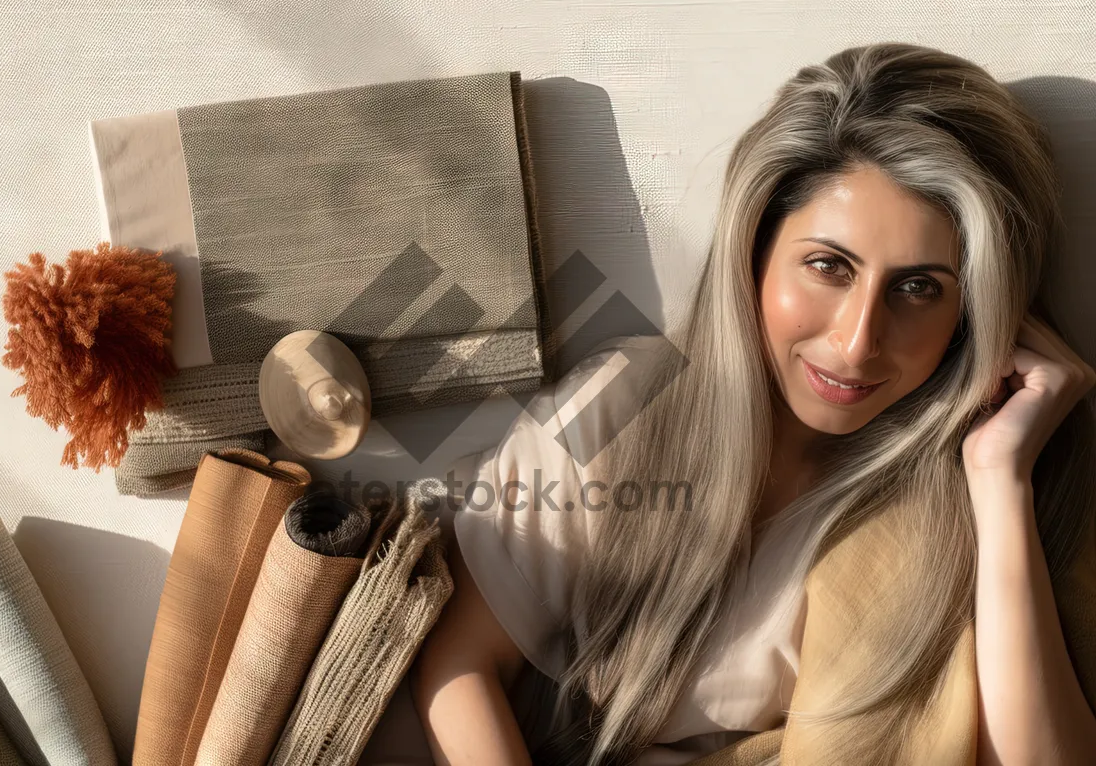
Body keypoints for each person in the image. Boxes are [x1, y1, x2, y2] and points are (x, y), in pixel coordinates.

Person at [409, 42, 1096, 765]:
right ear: (755, 252)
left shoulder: (979, 488)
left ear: (976, 311)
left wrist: (999, 480)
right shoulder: (629, 410)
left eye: (919, 287)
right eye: (829, 266)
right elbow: (460, 669)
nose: (858, 341)